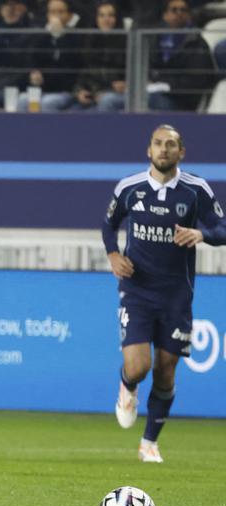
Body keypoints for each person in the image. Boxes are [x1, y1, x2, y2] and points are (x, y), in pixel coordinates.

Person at [104, 125, 226, 463]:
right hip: (137, 289)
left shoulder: (195, 189)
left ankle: (149, 443)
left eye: (171, 145)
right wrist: (113, 255)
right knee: (139, 365)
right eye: (158, 144)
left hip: (176, 294)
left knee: (166, 370)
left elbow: (222, 228)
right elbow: (109, 224)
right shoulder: (130, 188)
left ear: (181, 152)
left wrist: (200, 235)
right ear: (149, 150)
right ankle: (127, 387)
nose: (164, 150)